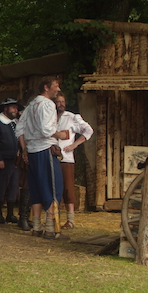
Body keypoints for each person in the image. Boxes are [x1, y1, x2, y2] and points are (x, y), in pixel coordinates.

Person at [15, 77, 70, 240]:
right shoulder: (47, 104)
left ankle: (37, 227)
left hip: (33, 151)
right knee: (53, 188)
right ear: (46, 88)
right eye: (55, 86)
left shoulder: (31, 105)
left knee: (37, 188)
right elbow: (46, 130)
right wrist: (61, 134)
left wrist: (25, 148)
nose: (58, 89)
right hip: (45, 149)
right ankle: (50, 229)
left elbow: (20, 128)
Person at [55, 91, 93, 230]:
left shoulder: (71, 117)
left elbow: (88, 130)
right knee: (54, 188)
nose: (60, 104)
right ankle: (54, 217)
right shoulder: (49, 118)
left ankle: (70, 220)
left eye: (62, 102)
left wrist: (75, 144)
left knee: (68, 188)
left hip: (66, 158)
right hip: (51, 157)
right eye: (58, 102)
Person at [0, 97, 27, 229]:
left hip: (15, 160)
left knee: (13, 187)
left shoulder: (14, 124)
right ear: (6, 108)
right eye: (13, 107)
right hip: (4, 160)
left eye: (16, 108)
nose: (15, 110)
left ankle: (10, 214)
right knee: (1, 187)